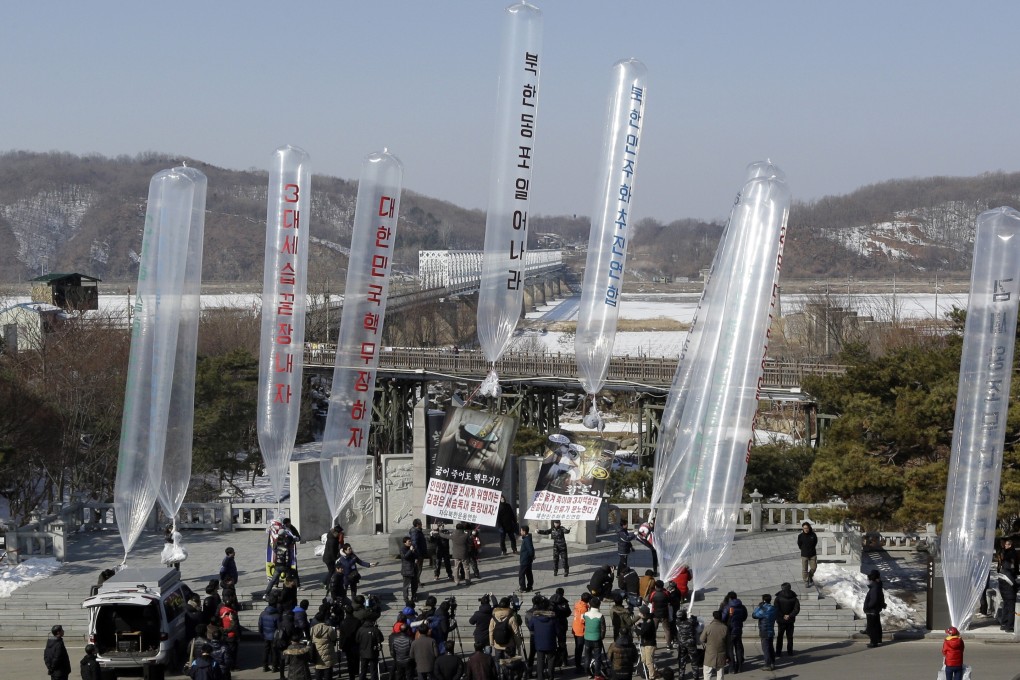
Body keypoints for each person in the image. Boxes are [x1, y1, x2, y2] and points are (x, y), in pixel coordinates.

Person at [528, 596, 558, 680]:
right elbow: (557, 630)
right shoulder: (553, 618)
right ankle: (550, 676)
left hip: (539, 643)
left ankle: (540, 677)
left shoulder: (535, 618)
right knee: (551, 660)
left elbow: (531, 627)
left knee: (540, 661)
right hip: (551, 642)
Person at [721, 591, 746, 673]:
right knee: (738, 648)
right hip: (738, 629)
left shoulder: (727, 607)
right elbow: (744, 616)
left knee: (730, 649)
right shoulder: (742, 606)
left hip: (730, 630)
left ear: (729, 597)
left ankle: (732, 667)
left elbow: (723, 618)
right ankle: (740, 667)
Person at [700, 611, 729, 680]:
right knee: (720, 674)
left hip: (710, 653)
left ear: (714, 617)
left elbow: (702, 639)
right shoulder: (725, 628)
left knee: (707, 673)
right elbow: (728, 642)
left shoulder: (708, 627)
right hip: (721, 653)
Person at [581, 597, 606, 677]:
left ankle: (588, 672)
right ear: (599, 605)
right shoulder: (600, 616)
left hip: (587, 638)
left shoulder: (586, 614)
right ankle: (597, 674)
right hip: (597, 639)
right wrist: (601, 637)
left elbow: (583, 620)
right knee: (597, 658)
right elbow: (603, 629)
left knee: (587, 657)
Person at [752, 594, 777, 671]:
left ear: (763, 600)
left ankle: (767, 664)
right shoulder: (774, 608)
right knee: (770, 647)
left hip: (764, 630)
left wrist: (759, 607)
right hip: (771, 630)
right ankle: (772, 662)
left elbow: (754, 615)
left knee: (765, 648)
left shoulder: (764, 609)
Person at [773, 583, 800, 656]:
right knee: (790, 636)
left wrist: (783, 615)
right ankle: (790, 651)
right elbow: (797, 609)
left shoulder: (778, 598)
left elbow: (776, 608)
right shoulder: (794, 598)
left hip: (781, 620)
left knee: (780, 636)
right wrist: (790, 615)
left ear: (782, 588)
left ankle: (778, 652)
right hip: (790, 620)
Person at [548, 587, 572, 667]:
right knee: (562, 643)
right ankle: (564, 660)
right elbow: (568, 613)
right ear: (562, 593)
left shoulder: (550, 601)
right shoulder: (564, 602)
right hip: (562, 624)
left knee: (552, 642)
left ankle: (552, 659)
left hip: (551, 624)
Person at [311, 611, 338, 680]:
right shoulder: (329, 628)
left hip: (317, 653)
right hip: (327, 652)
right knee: (328, 672)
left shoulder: (313, 629)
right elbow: (334, 638)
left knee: (318, 671)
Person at [634, 606, 659, 680]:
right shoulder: (647, 619)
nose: (639, 614)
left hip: (649, 644)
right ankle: (654, 671)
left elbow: (642, 632)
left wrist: (635, 629)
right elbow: (644, 626)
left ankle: (652, 676)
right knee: (643, 660)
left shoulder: (649, 622)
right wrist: (640, 624)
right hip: (645, 644)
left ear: (644, 614)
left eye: (640, 613)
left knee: (648, 662)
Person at [998, 537, 1018, 632]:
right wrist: (1015, 584)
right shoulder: (1011, 555)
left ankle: (1004, 623)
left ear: (1010, 545)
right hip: (1008, 582)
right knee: (1010, 605)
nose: (1004, 546)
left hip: (1003, 581)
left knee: (1006, 604)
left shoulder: (1006, 555)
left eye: (1006, 544)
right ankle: (1009, 626)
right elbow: (1011, 571)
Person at [863, 569, 886, 648]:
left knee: (872, 626)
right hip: (875, 609)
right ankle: (878, 639)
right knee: (876, 625)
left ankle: (873, 642)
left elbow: (874, 600)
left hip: (872, 610)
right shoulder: (878, 585)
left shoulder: (874, 587)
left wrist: (868, 606)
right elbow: (881, 597)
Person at [259, 595, 282, 673]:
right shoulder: (277, 615)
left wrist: (261, 634)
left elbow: (260, 625)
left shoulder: (262, 613)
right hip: (274, 636)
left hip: (265, 635)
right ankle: (274, 667)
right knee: (274, 652)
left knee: (265, 651)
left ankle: (265, 666)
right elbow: (279, 628)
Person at [648, 581, 673, 649]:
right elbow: (670, 600)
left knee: (654, 630)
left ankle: (654, 645)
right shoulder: (666, 593)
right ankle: (668, 645)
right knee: (667, 630)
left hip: (655, 614)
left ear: (656, 586)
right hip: (664, 614)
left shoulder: (653, 593)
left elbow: (650, 600)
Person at [400, 536, 421, 604]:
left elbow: (417, 556)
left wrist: (415, 554)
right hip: (407, 570)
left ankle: (414, 596)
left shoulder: (412, 547)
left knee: (414, 584)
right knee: (406, 585)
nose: (410, 542)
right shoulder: (402, 549)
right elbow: (405, 557)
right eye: (409, 541)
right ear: (405, 542)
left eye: (410, 541)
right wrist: (410, 550)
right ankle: (406, 598)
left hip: (414, 569)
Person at [797, 522, 818, 587]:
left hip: (812, 554)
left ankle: (809, 576)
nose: (806, 529)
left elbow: (815, 542)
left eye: (807, 528)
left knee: (814, 568)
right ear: (803, 528)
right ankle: (806, 581)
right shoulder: (800, 536)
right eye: (804, 528)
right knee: (804, 569)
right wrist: (803, 549)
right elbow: (799, 544)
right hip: (804, 554)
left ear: (809, 528)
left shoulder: (813, 535)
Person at [519, 526, 536, 593]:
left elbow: (530, 549)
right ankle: (529, 587)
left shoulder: (526, 540)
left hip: (525, 560)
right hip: (527, 559)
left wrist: (532, 555)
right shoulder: (527, 538)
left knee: (521, 574)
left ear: (524, 531)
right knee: (528, 573)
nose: (520, 532)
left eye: (521, 531)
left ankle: (523, 588)